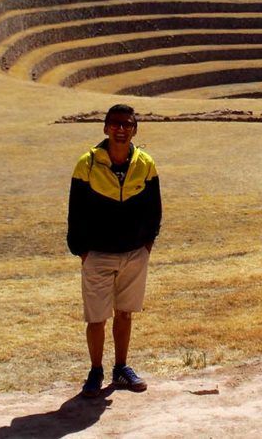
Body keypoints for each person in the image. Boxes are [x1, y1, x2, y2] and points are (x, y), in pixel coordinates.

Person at [67, 104, 162, 397]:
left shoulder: (145, 164)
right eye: (116, 124)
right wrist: (82, 252)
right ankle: (95, 371)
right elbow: (75, 212)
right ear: (105, 128)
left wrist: (146, 247)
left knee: (125, 314)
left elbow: (154, 211)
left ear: (135, 130)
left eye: (127, 124)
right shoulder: (88, 164)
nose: (121, 129)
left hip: (134, 253)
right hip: (97, 253)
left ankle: (121, 368)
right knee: (96, 318)